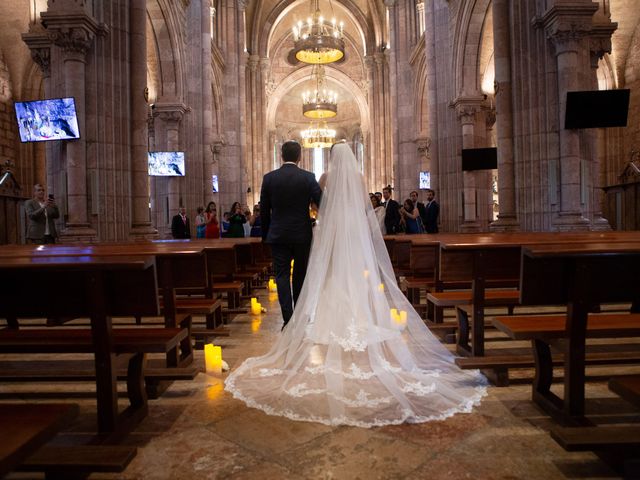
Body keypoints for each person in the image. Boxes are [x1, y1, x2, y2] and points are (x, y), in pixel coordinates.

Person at [225, 143, 486, 427]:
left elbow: (279, 207)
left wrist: (316, 220)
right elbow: (353, 206)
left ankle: (293, 317)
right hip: (331, 233)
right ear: (299, 156)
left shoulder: (287, 177)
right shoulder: (317, 178)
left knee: (296, 276)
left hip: (293, 234)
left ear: (281, 155)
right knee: (322, 274)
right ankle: (349, 315)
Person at [258, 140, 322, 328]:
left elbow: (264, 210)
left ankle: (288, 318)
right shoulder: (308, 177)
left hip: (278, 234)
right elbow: (321, 201)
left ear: (281, 155)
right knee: (300, 276)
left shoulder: (269, 178)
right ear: (300, 156)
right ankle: (300, 317)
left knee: (282, 276)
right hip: (302, 234)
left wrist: (265, 235)